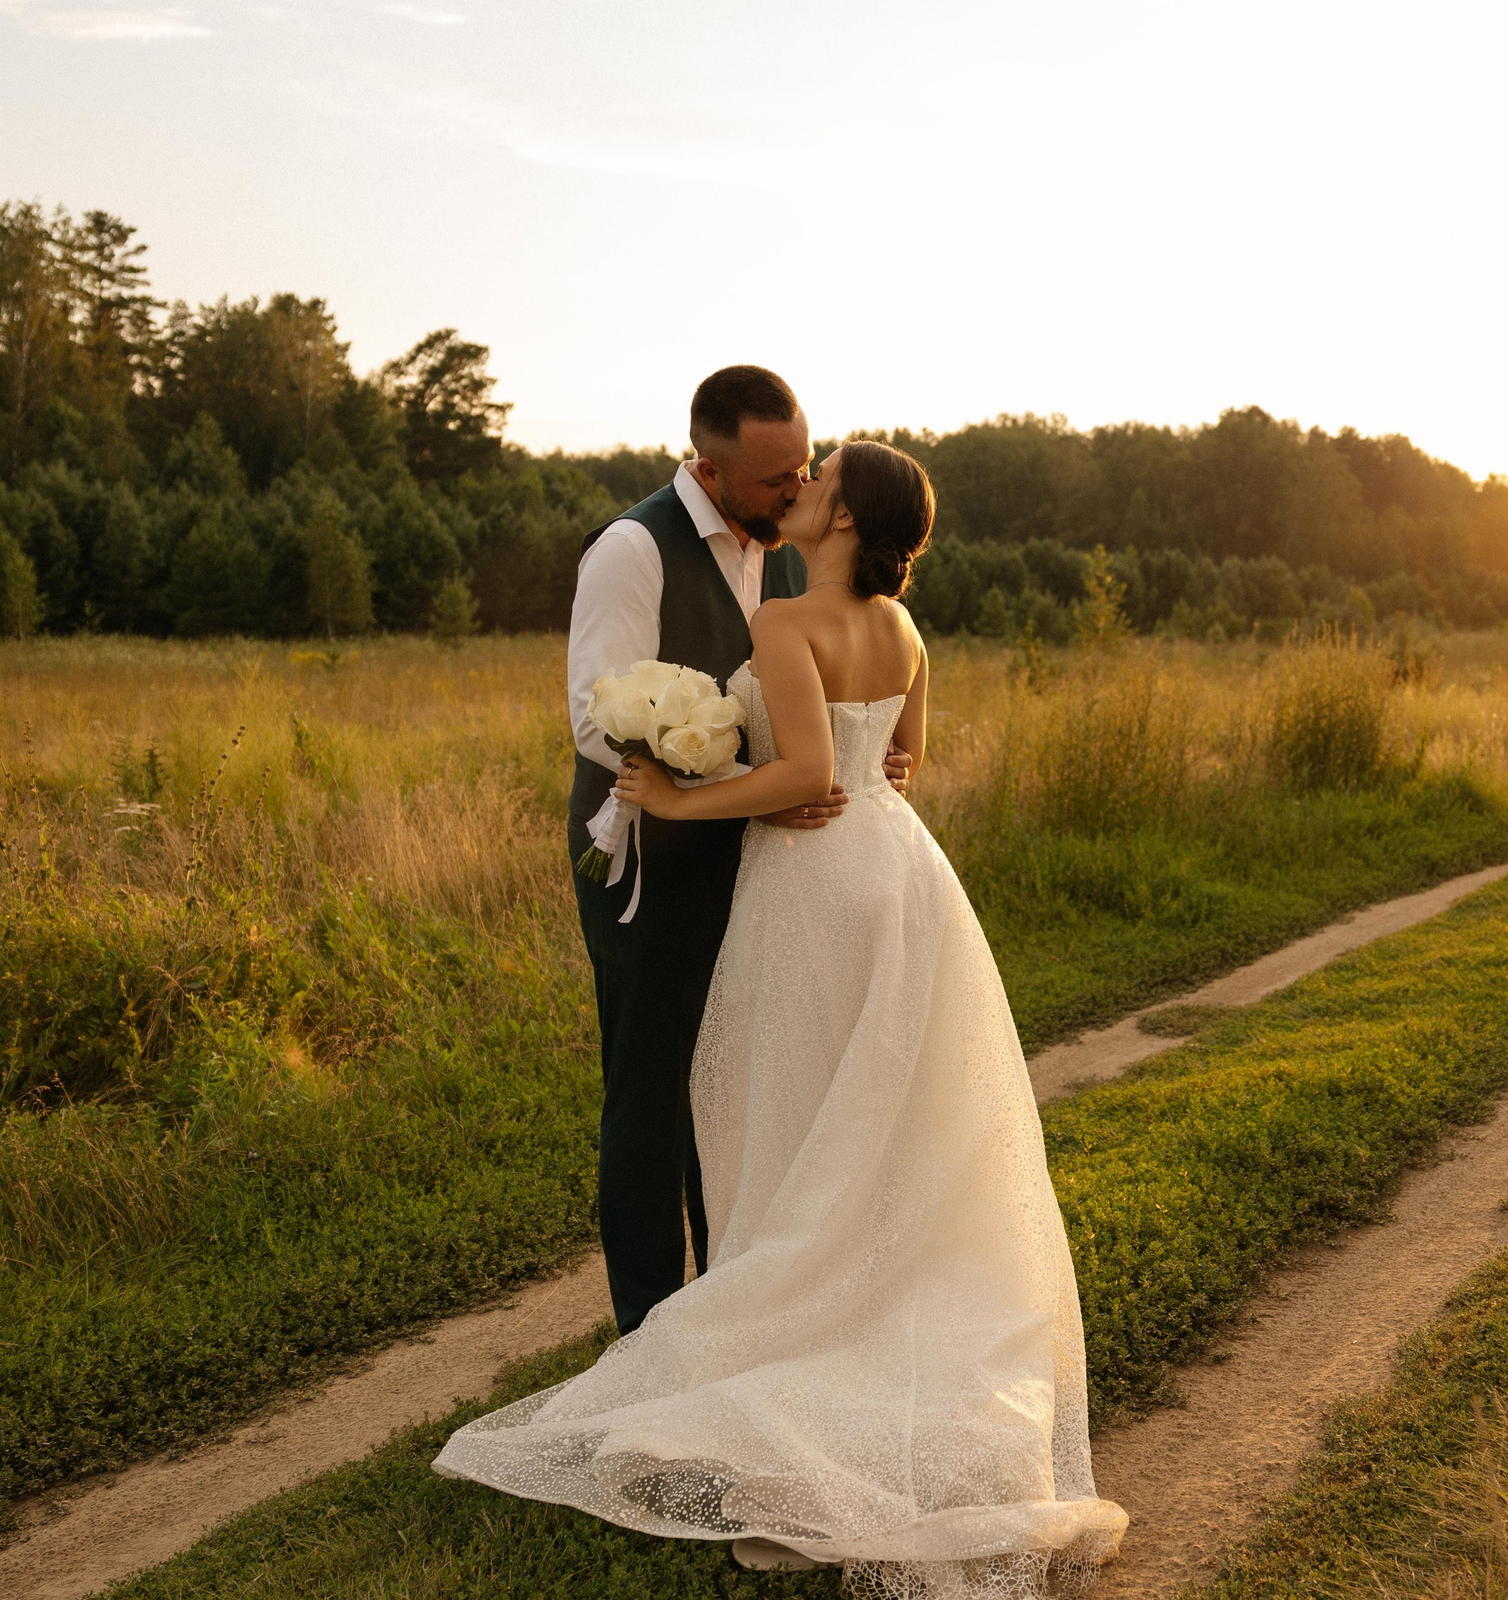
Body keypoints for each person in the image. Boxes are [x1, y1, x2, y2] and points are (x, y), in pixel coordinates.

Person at [437, 442, 1127, 1596]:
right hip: (902, 881)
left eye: (822, 478)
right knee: (884, 1120)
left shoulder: (788, 621)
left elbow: (807, 773)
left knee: (793, 1104)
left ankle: (800, 1326)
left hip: (813, 889)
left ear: (846, 516)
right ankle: (873, 1309)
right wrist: (824, 777)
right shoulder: (904, 631)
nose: (802, 488)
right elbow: (900, 763)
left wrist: (682, 794)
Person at [559, 365, 909, 1337]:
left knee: (737, 1086)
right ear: (708, 471)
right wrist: (744, 783)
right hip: (650, 859)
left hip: (764, 869)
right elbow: (596, 718)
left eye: (805, 468)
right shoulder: (633, 550)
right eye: (773, 478)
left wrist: (855, 757)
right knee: (652, 1094)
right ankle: (648, 1328)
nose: (796, 489)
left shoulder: (792, 555)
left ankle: (731, 1306)